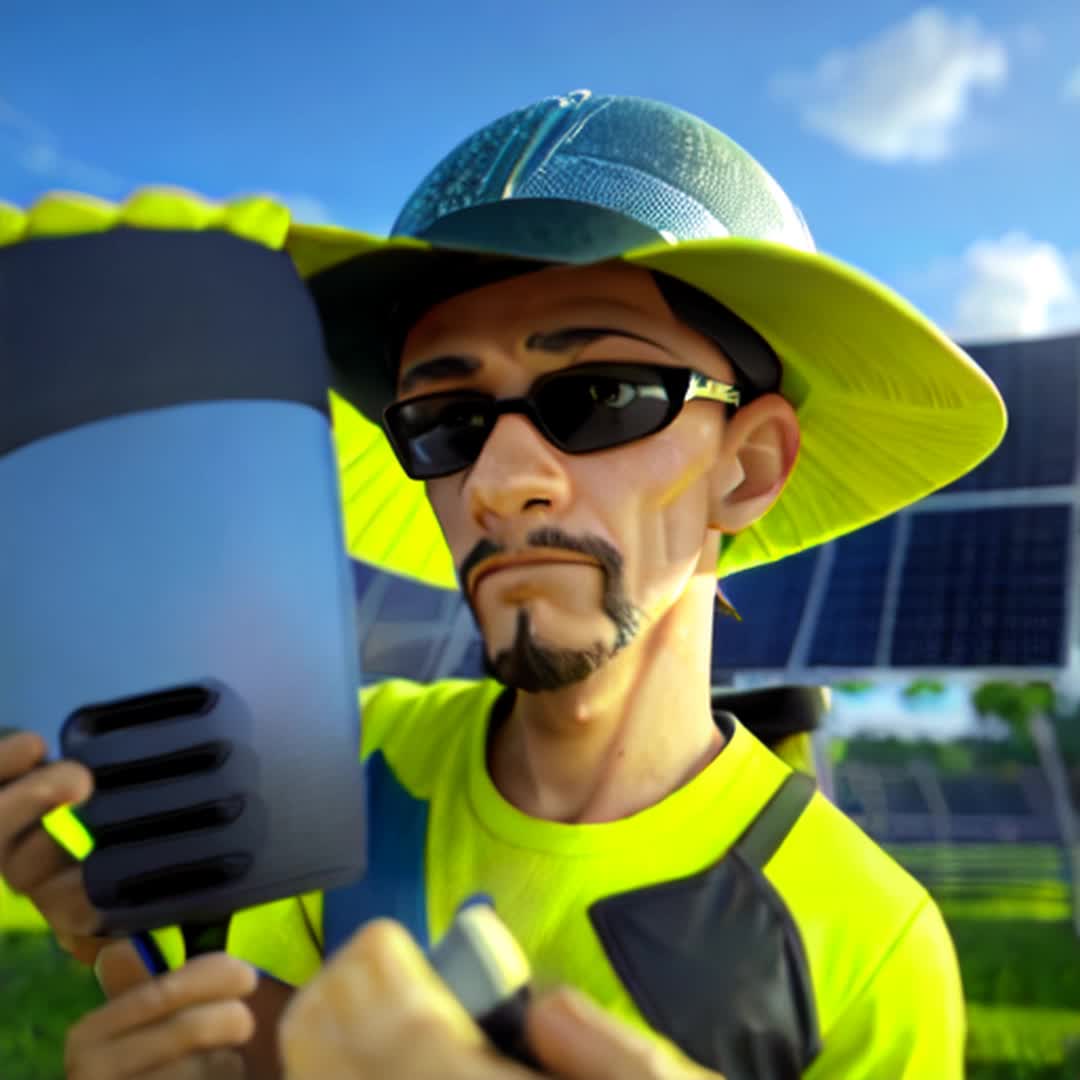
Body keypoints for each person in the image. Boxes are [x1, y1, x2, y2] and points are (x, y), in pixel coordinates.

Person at [0, 90, 1005, 1079]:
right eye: (446, 420)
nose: (497, 482)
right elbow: (249, 1032)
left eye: (602, 396)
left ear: (747, 468)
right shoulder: (324, 774)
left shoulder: (870, 949)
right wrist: (147, 957)